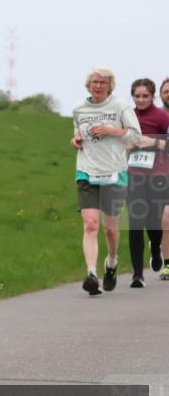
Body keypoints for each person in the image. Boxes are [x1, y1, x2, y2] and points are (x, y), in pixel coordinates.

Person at [70, 68, 141, 295]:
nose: (98, 85)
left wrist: (111, 130)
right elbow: (78, 134)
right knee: (90, 223)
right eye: (94, 81)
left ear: (110, 86)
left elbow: (136, 136)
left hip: (114, 172)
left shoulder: (120, 107)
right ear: (88, 85)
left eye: (102, 82)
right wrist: (76, 140)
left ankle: (111, 262)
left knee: (110, 228)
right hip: (86, 171)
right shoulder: (79, 109)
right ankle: (91, 274)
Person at [125, 78, 169, 287]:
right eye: (137, 96)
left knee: (154, 223)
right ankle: (137, 275)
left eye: (145, 96)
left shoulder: (162, 117)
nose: (141, 100)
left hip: (158, 177)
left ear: (153, 97)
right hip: (134, 176)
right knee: (135, 224)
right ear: (132, 96)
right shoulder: (128, 116)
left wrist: (155, 142)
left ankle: (155, 248)